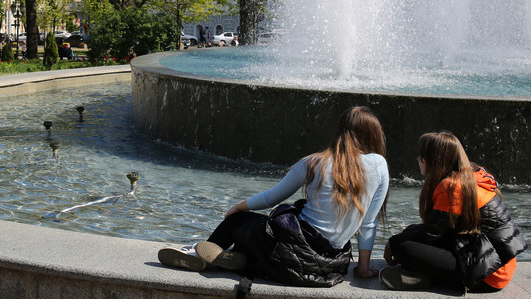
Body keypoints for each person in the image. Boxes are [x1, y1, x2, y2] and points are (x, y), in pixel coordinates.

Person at [158, 106, 389, 287]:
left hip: (289, 254)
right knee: (271, 243)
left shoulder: (315, 162)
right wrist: (363, 269)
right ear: (373, 135)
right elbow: (368, 223)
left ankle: (201, 253)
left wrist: (239, 207)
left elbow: (272, 198)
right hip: (326, 267)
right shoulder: (379, 166)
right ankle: (235, 258)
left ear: (340, 131)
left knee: (242, 222)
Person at [381, 132, 526, 292]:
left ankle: (427, 278)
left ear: (435, 161)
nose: (418, 159)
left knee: (405, 249)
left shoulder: (451, 187)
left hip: (487, 273)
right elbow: (437, 228)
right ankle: (425, 276)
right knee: (409, 232)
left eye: (422, 156)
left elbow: (429, 234)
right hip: (492, 261)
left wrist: (392, 243)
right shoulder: (470, 176)